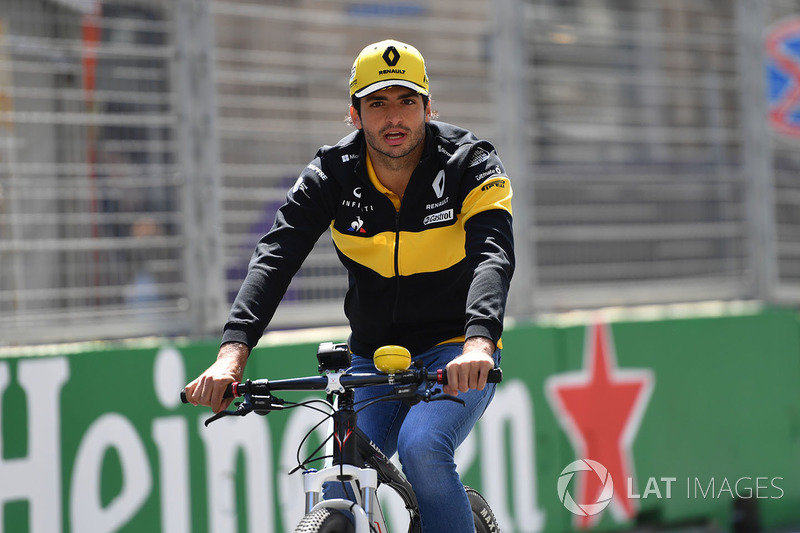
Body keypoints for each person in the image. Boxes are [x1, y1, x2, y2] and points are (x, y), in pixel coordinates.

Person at [184, 39, 514, 532]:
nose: (393, 117)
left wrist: (479, 344)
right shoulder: (330, 174)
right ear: (355, 116)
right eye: (377, 103)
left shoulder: (471, 163)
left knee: (423, 448)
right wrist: (233, 353)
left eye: (406, 100)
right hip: (371, 357)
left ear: (429, 106)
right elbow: (276, 256)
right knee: (339, 479)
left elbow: (494, 254)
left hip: (455, 354)